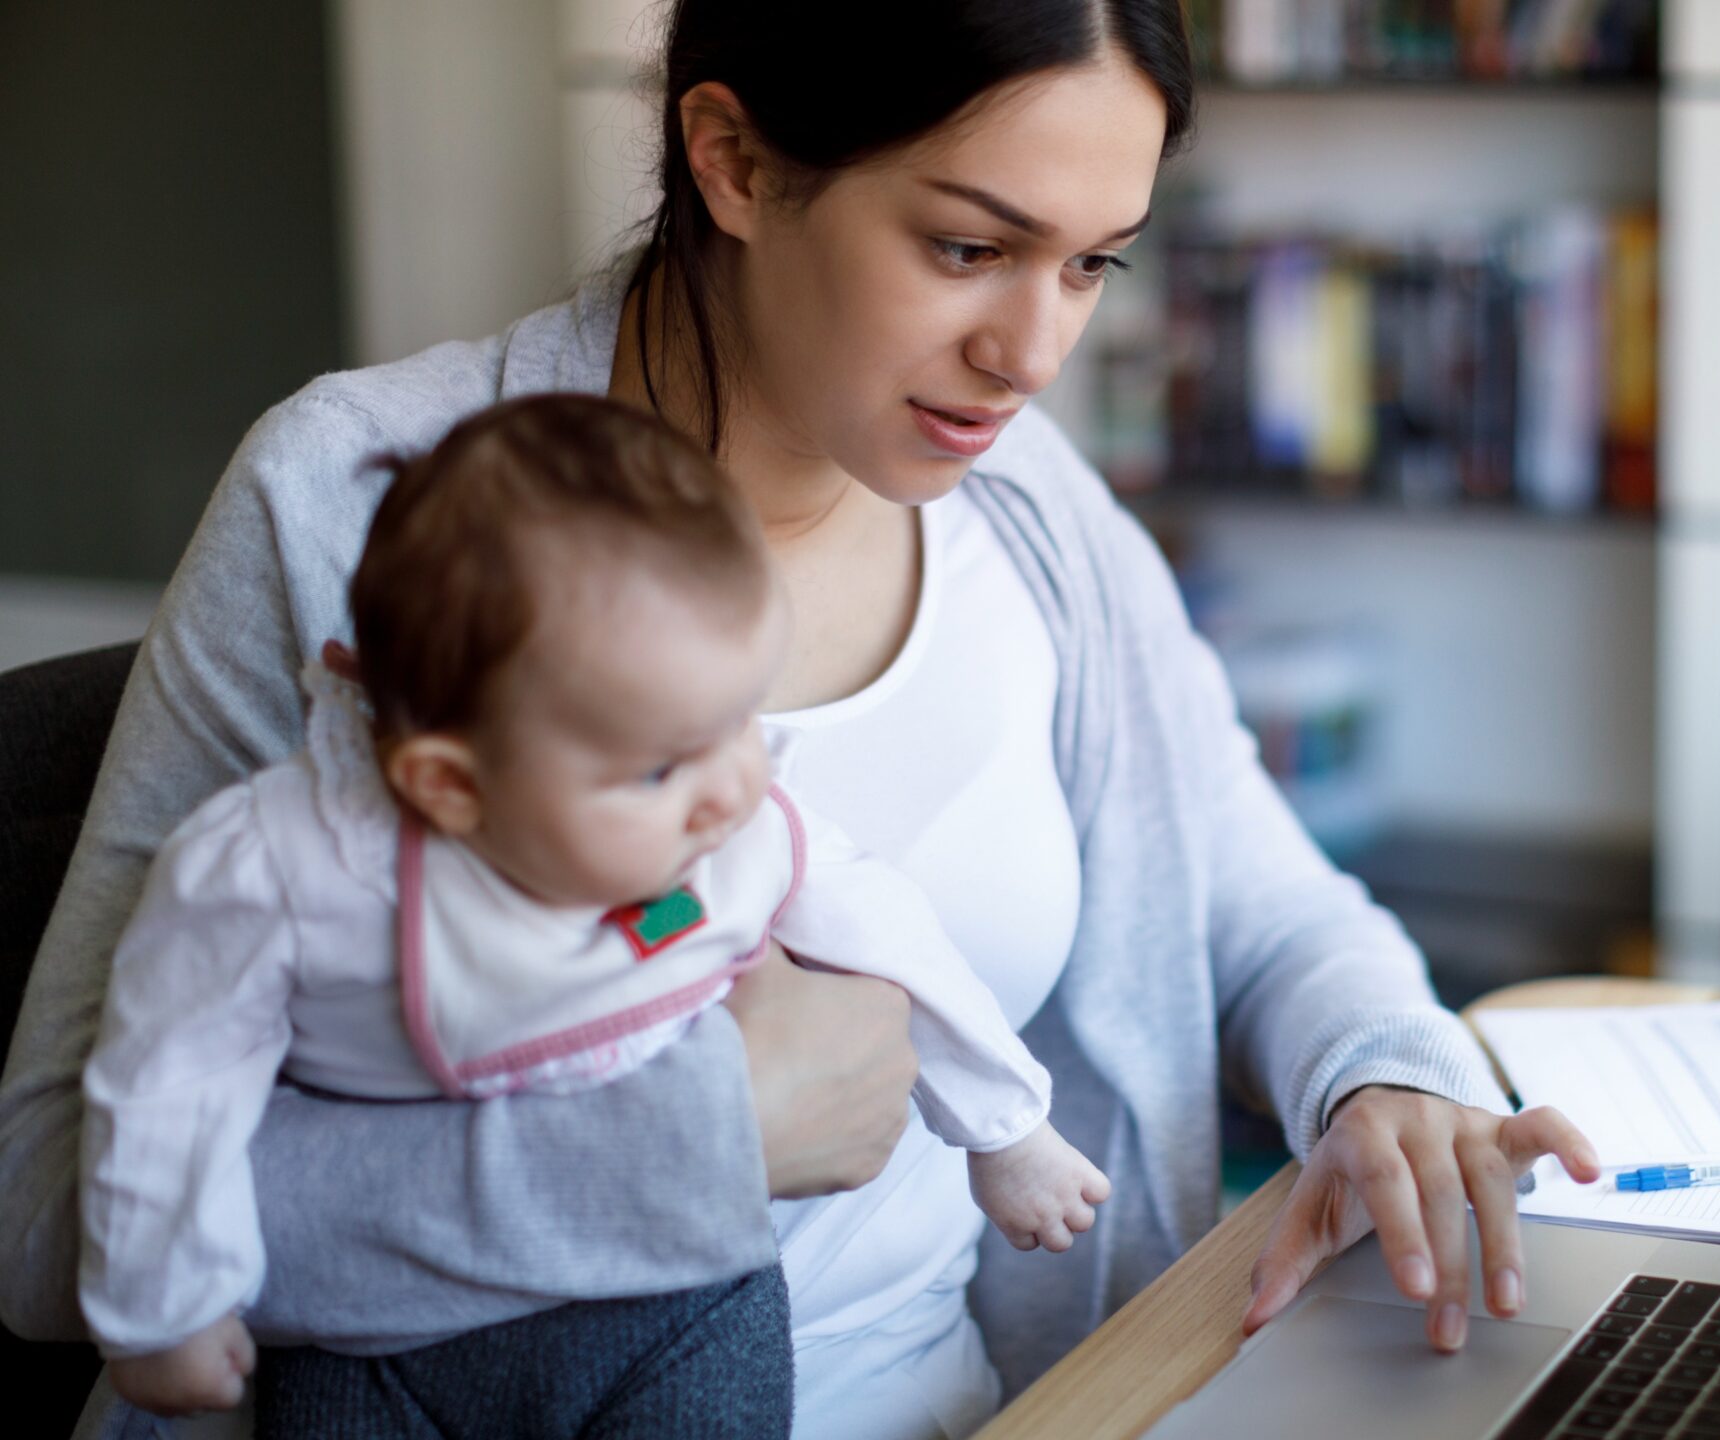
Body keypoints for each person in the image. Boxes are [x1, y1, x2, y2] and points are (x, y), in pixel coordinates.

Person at [0, 4, 1601, 1435]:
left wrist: (1386, 1077)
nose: (1033, 353)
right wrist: (704, 1139)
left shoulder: (1027, 503)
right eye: (970, 248)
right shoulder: (349, 500)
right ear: (736, 161)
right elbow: (42, 1204)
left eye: (1093, 262)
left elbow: (1260, 898)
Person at [80, 395, 1108, 1433]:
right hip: (382, 1343)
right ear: (448, 785)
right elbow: (170, 1078)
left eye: (738, 721)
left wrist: (1005, 1127)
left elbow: (890, 936)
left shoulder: (730, 823)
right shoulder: (283, 867)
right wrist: (162, 1302)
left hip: (684, 1301)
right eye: (660, 766)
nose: (730, 792)